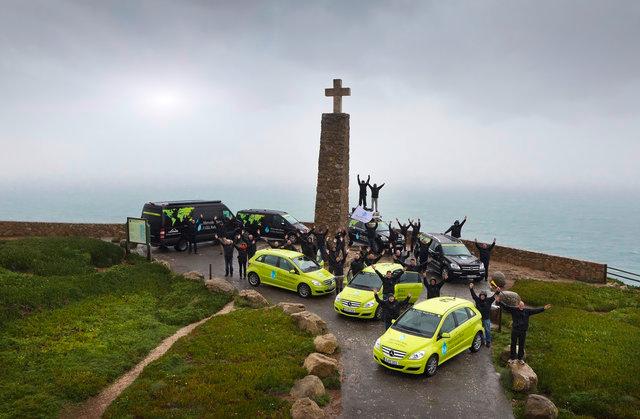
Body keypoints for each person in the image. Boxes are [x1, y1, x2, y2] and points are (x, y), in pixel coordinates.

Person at [496, 294, 551, 364]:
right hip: (515, 330)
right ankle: (512, 358)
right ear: (518, 305)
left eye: (522, 305)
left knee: (521, 345)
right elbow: (506, 307)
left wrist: (543, 308)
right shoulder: (514, 310)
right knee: (513, 344)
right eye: (520, 305)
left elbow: (535, 310)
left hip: (523, 331)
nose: (521, 307)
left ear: (524, 306)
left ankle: (520, 358)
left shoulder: (527, 311)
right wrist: (499, 302)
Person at [469, 282, 500, 347]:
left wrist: (497, 291)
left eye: (483, 295)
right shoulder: (477, 300)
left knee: (487, 331)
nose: (482, 296)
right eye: (481, 295)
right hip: (479, 319)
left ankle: (488, 342)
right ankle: (482, 341)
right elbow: (473, 295)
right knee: (478, 331)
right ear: (480, 295)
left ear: (485, 296)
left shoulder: (489, 300)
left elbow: (494, 296)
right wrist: (471, 288)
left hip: (486, 319)